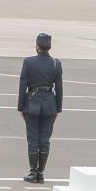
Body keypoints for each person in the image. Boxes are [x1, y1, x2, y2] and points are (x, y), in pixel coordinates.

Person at [17, 32, 63, 183]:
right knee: (45, 139)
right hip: (50, 104)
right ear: (50, 47)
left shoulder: (29, 62)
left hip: (32, 103)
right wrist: (58, 108)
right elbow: (59, 88)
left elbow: (23, 85)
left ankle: (33, 172)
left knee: (33, 139)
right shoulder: (56, 63)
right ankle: (41, 173)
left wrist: (20, 107)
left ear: (37, 46)